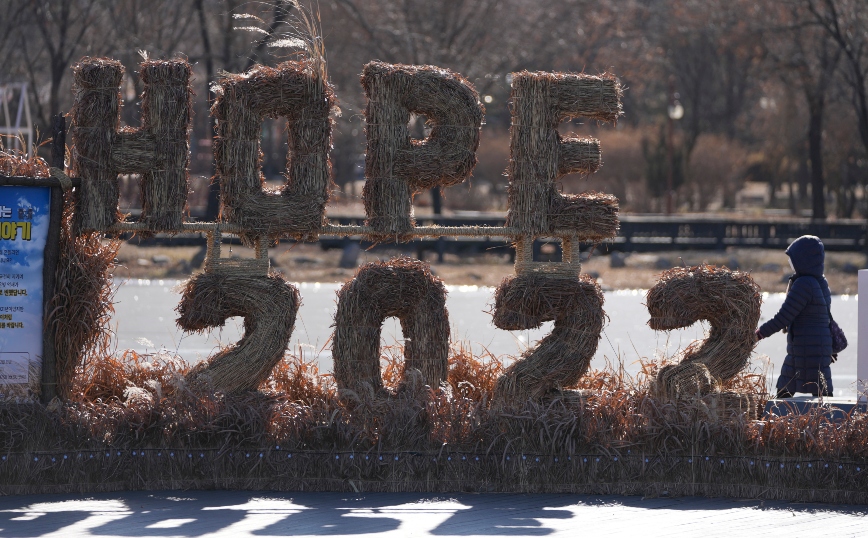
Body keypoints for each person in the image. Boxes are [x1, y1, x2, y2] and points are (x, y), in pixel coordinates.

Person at [755, 235, 833, 398]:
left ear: (803, 260)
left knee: (788, 392)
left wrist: (759, 334)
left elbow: (784, 317)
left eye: (793, 258)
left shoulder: (804, 284)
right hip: (817, 345)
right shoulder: (820, 281)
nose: (790, 262)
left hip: (807, 346)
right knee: (820, 391)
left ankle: (780, 416)